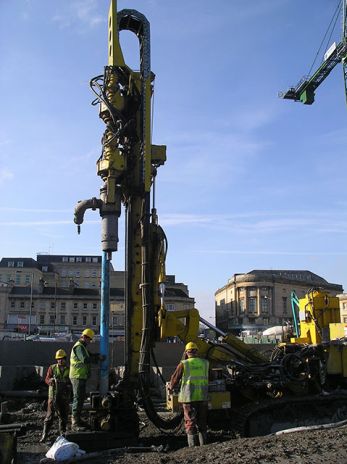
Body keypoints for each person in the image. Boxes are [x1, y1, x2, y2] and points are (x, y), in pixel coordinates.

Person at [169, 341, 209, 447]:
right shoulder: (205, 363)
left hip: (189, 398)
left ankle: (192, 448)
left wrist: (170, 388)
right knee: (202, 422)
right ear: (197, 352)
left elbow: (175, 378)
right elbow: (212, 377)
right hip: (202, 397)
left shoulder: (184, 364)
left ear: (187, 352)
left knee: (190, 422)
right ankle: (204, 445)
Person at [40, 349, 71, 442]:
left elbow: (71, 381)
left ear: (65, 359)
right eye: (58, 359)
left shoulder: (69, 369)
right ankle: (44, 435)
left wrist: (68, 385)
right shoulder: (52, 368)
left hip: (64, 397)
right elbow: (46, 379)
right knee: (49, 416)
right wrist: (50, 381)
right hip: (52, 396)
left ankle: (63, 434)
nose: (60, 360)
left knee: (63, 416)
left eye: (62, 359)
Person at [69, 328, 96, 431]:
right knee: (78, 398)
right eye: (89, 339)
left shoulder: (82, 347)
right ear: (84, 337)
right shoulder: (79, 347)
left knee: (80, 399)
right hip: (77, 376)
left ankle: (78, 420)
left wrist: (96, 356)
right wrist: (96, 359)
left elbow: (89, 355)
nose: (89, 342)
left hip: (80, 376)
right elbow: (85, 359)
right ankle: (74, 423)